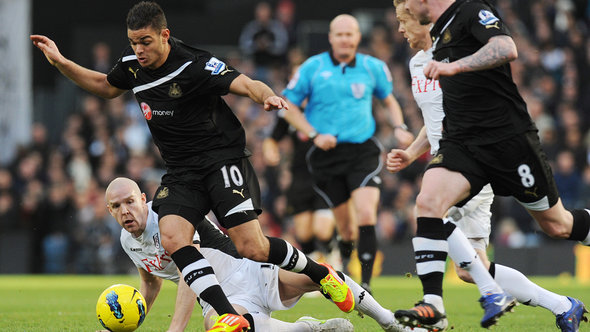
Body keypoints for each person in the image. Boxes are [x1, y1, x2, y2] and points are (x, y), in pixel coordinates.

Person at [31, 2, 354, 331]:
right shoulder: (131, 67)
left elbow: (245, 83)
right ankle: (230, 315)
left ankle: (322, 275)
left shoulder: (194, 64)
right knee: (173, 238)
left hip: (220, 159)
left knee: (252, 247)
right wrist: (60, 63)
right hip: (182, 171)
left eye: (145, 41)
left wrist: (266, 97)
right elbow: (104, 86)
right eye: (133, 42)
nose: (138, 50)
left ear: (164, 36)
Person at [389, 0, 590, 330]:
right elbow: (436, 116)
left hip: (505, 142)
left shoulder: (468, 16)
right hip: (459, 156)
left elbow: (505, 46)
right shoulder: (419, 61)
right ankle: (437, 306)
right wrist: (412, 151)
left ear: (421, 12)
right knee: (434, 216)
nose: (399, 27)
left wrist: (455, 66)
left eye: (403, 17)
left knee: (557, 225)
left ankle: (503, 294)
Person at [105, 177, 413, 332]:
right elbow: (151, 283)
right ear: (109, 211)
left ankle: (389, 321)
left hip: (247, 270)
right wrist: (127, 322)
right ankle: (308, 329)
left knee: (320, 276)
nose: (126, 211)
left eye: (130, 201)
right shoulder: (127, 241)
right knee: (220, 327)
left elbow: (190, 272)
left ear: (143, 198)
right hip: (219, 298)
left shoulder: (171, 215)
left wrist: (175, 329)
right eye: (117, 207)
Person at [281, 13, 414, 293]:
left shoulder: (372, 67)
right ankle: (344, 262)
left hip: (362, 151)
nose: (345, 39)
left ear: (357, 37)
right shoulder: (311, 68)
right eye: (339, 34)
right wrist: (315, 134)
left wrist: (400, 126)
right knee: (347, 229)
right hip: (325, 157)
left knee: (367, 213)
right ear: (331, 38)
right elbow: (287, 106)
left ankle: (365, 285)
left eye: (349, 34)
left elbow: (388, 100)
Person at [263, 115, 340, 268]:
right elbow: (273, 138)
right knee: (304, 234)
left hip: (325, 176)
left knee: (322, 230)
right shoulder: (291, 110)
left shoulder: (324, 106)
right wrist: (270, 151)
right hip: (300, 178)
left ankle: (332, 254)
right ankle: (315, 272)